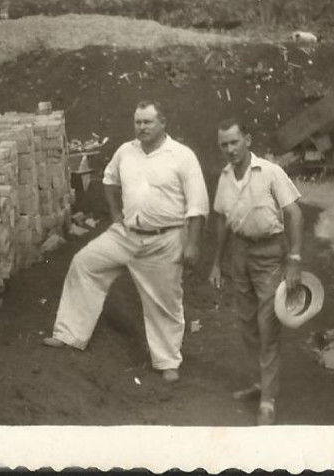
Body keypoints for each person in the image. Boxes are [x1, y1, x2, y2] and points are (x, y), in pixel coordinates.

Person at [43, 101, 209, 382]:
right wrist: (115, 213)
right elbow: (109, 180)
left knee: (165, 301)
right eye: (138, 122)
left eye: (148, 122)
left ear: (162, 123)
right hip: (126, 235)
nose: (142, 127)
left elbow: (198, 205)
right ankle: (69, 334)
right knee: (84, 263)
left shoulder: (182, 156)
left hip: (164, 239)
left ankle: (168, 361)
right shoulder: (125, 151)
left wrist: (192, 244)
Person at [208, 118, 303, 425]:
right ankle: (259, 382)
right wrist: (216, 262)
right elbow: (222, 219)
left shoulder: (271, 172)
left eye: (235, 142)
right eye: (224, 144)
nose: (230, 149)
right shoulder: (224, 177)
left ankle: (268, 400)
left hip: (269, 253)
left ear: (247, 139)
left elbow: (294, 213)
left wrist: (295, 259)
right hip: (239, 253)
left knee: (267, 324)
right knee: (247, 322)